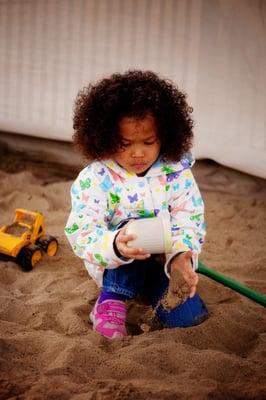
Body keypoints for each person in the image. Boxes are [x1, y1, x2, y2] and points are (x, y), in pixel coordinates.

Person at [65, 70, 208, 339]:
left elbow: (190, 218)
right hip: (118, 269)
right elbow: (81, 231)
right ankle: (110, 302)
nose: (138, 152)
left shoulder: (177, 173)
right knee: (132, 233)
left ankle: (159, 292)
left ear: (165, 135)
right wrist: (116, 245)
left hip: (162, 265)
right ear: (105, 137)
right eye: (125, 143)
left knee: (189, 318)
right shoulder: (96, 178)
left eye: (149, 142)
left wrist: (180, 255)